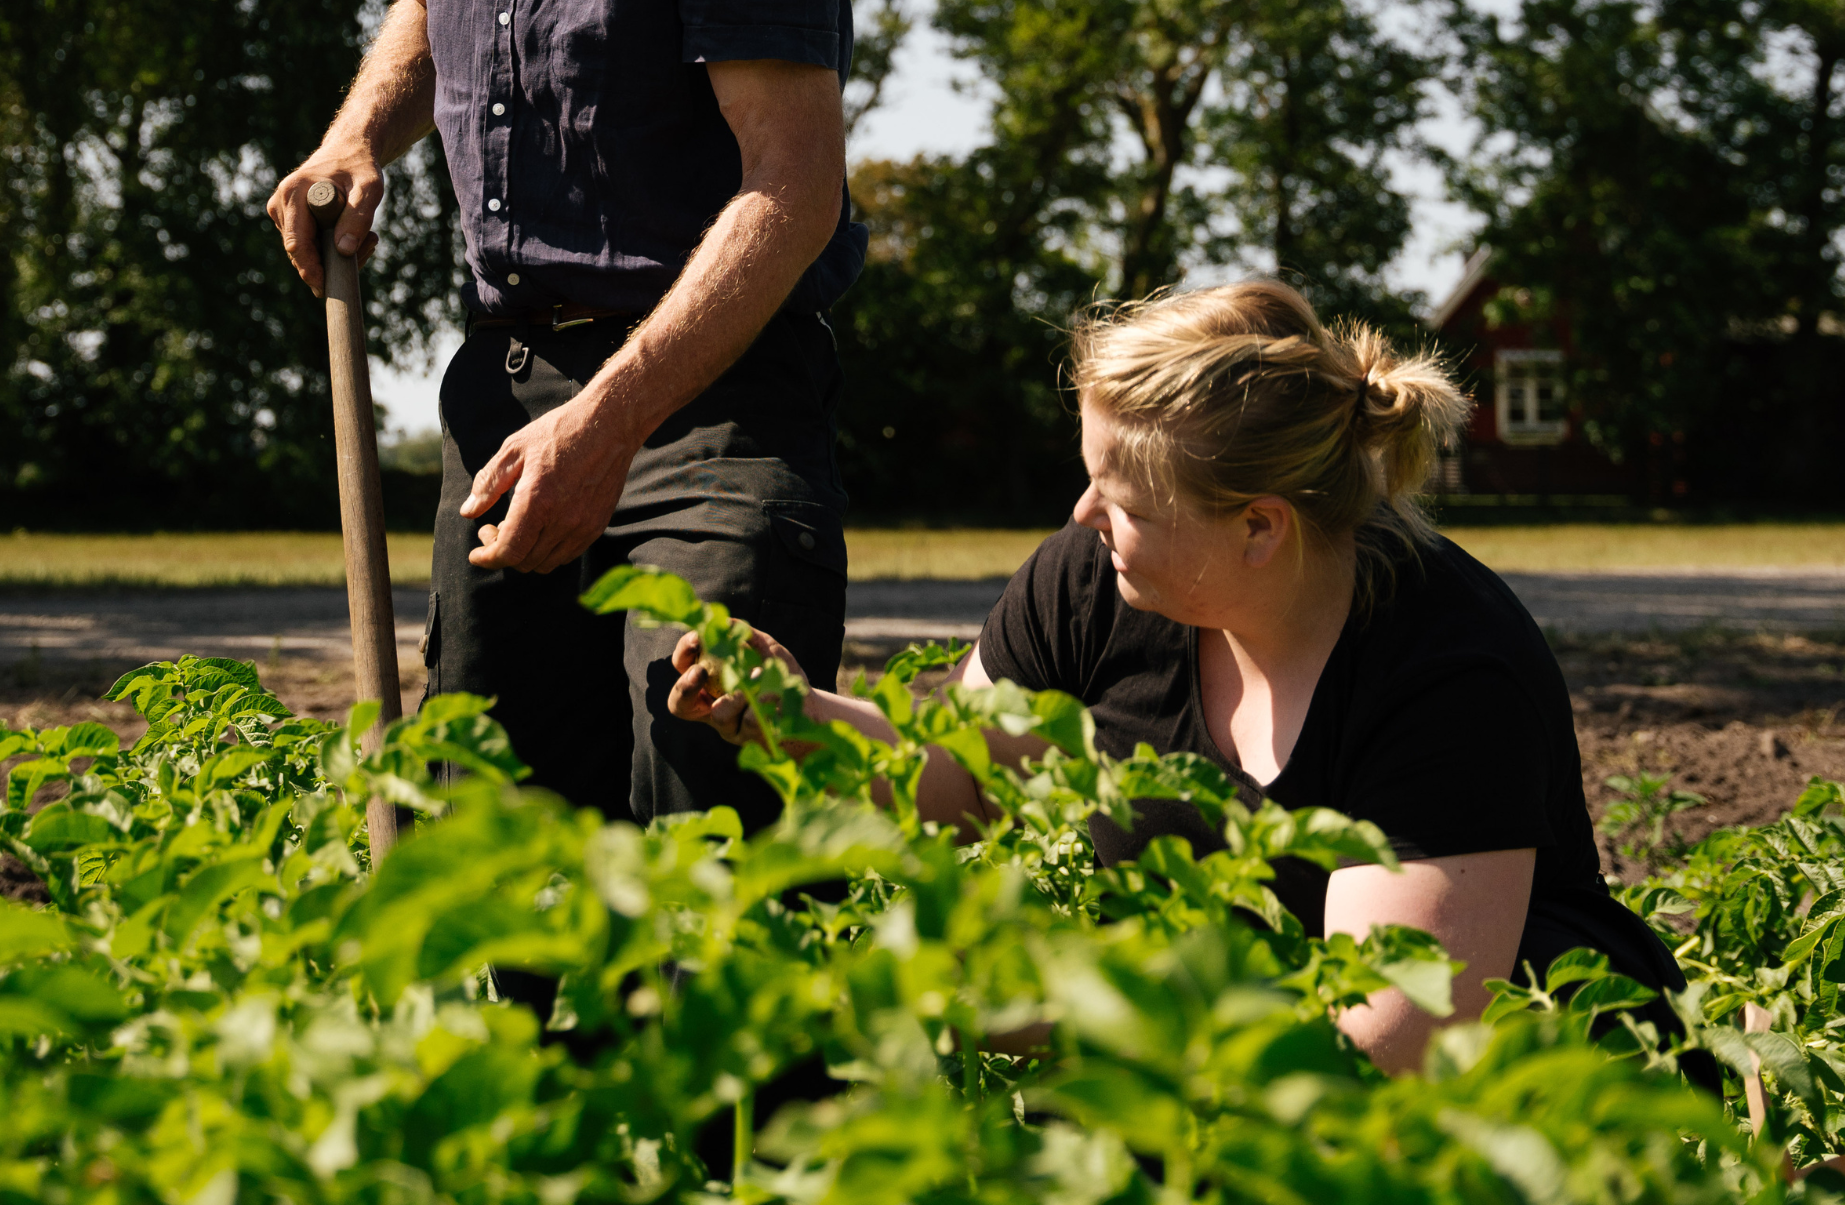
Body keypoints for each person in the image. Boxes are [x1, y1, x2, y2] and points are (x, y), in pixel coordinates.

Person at [671, 279, 1687, 1075]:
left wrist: (1049, 1020)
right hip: (1212, 1060)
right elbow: (964, 782)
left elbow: (1383, 1047)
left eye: (1123, 499)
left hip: (1509, 1091)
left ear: (1257, 526)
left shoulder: (1447, 668)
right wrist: (794, 714)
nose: (1080, 514)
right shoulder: (1092, 582)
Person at [266, 0, 865, 833]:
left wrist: (611, 426)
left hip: (716, 394)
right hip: (511, 378)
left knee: (717, 782)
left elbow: (793, 187)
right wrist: (360, 133)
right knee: (491, 826)